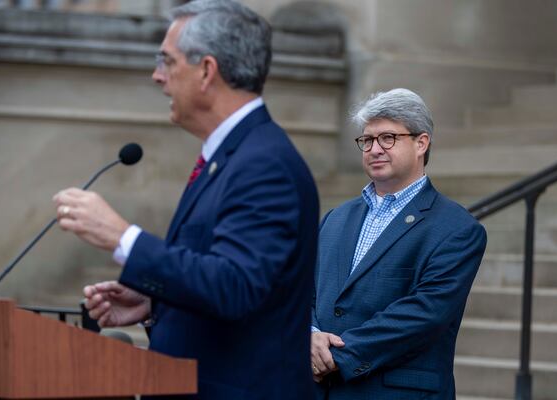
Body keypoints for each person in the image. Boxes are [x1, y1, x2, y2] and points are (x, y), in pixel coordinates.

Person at [53, 1, 319, 399]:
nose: (157, 76)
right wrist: (155, 300)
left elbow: (234, 286)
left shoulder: (264, 164)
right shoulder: (233, 154)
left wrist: (122, 237)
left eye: (167, 61)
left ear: (207, 71)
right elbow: (221, 276)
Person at [310, 88, 487, 399]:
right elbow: (302, 291)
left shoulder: (457, 229)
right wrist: (308, 337)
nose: (375, 148)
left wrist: (335, 357)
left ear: (421, 143)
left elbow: (424, 314)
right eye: (367, 140)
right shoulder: (335, 219)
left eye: (388, 138)